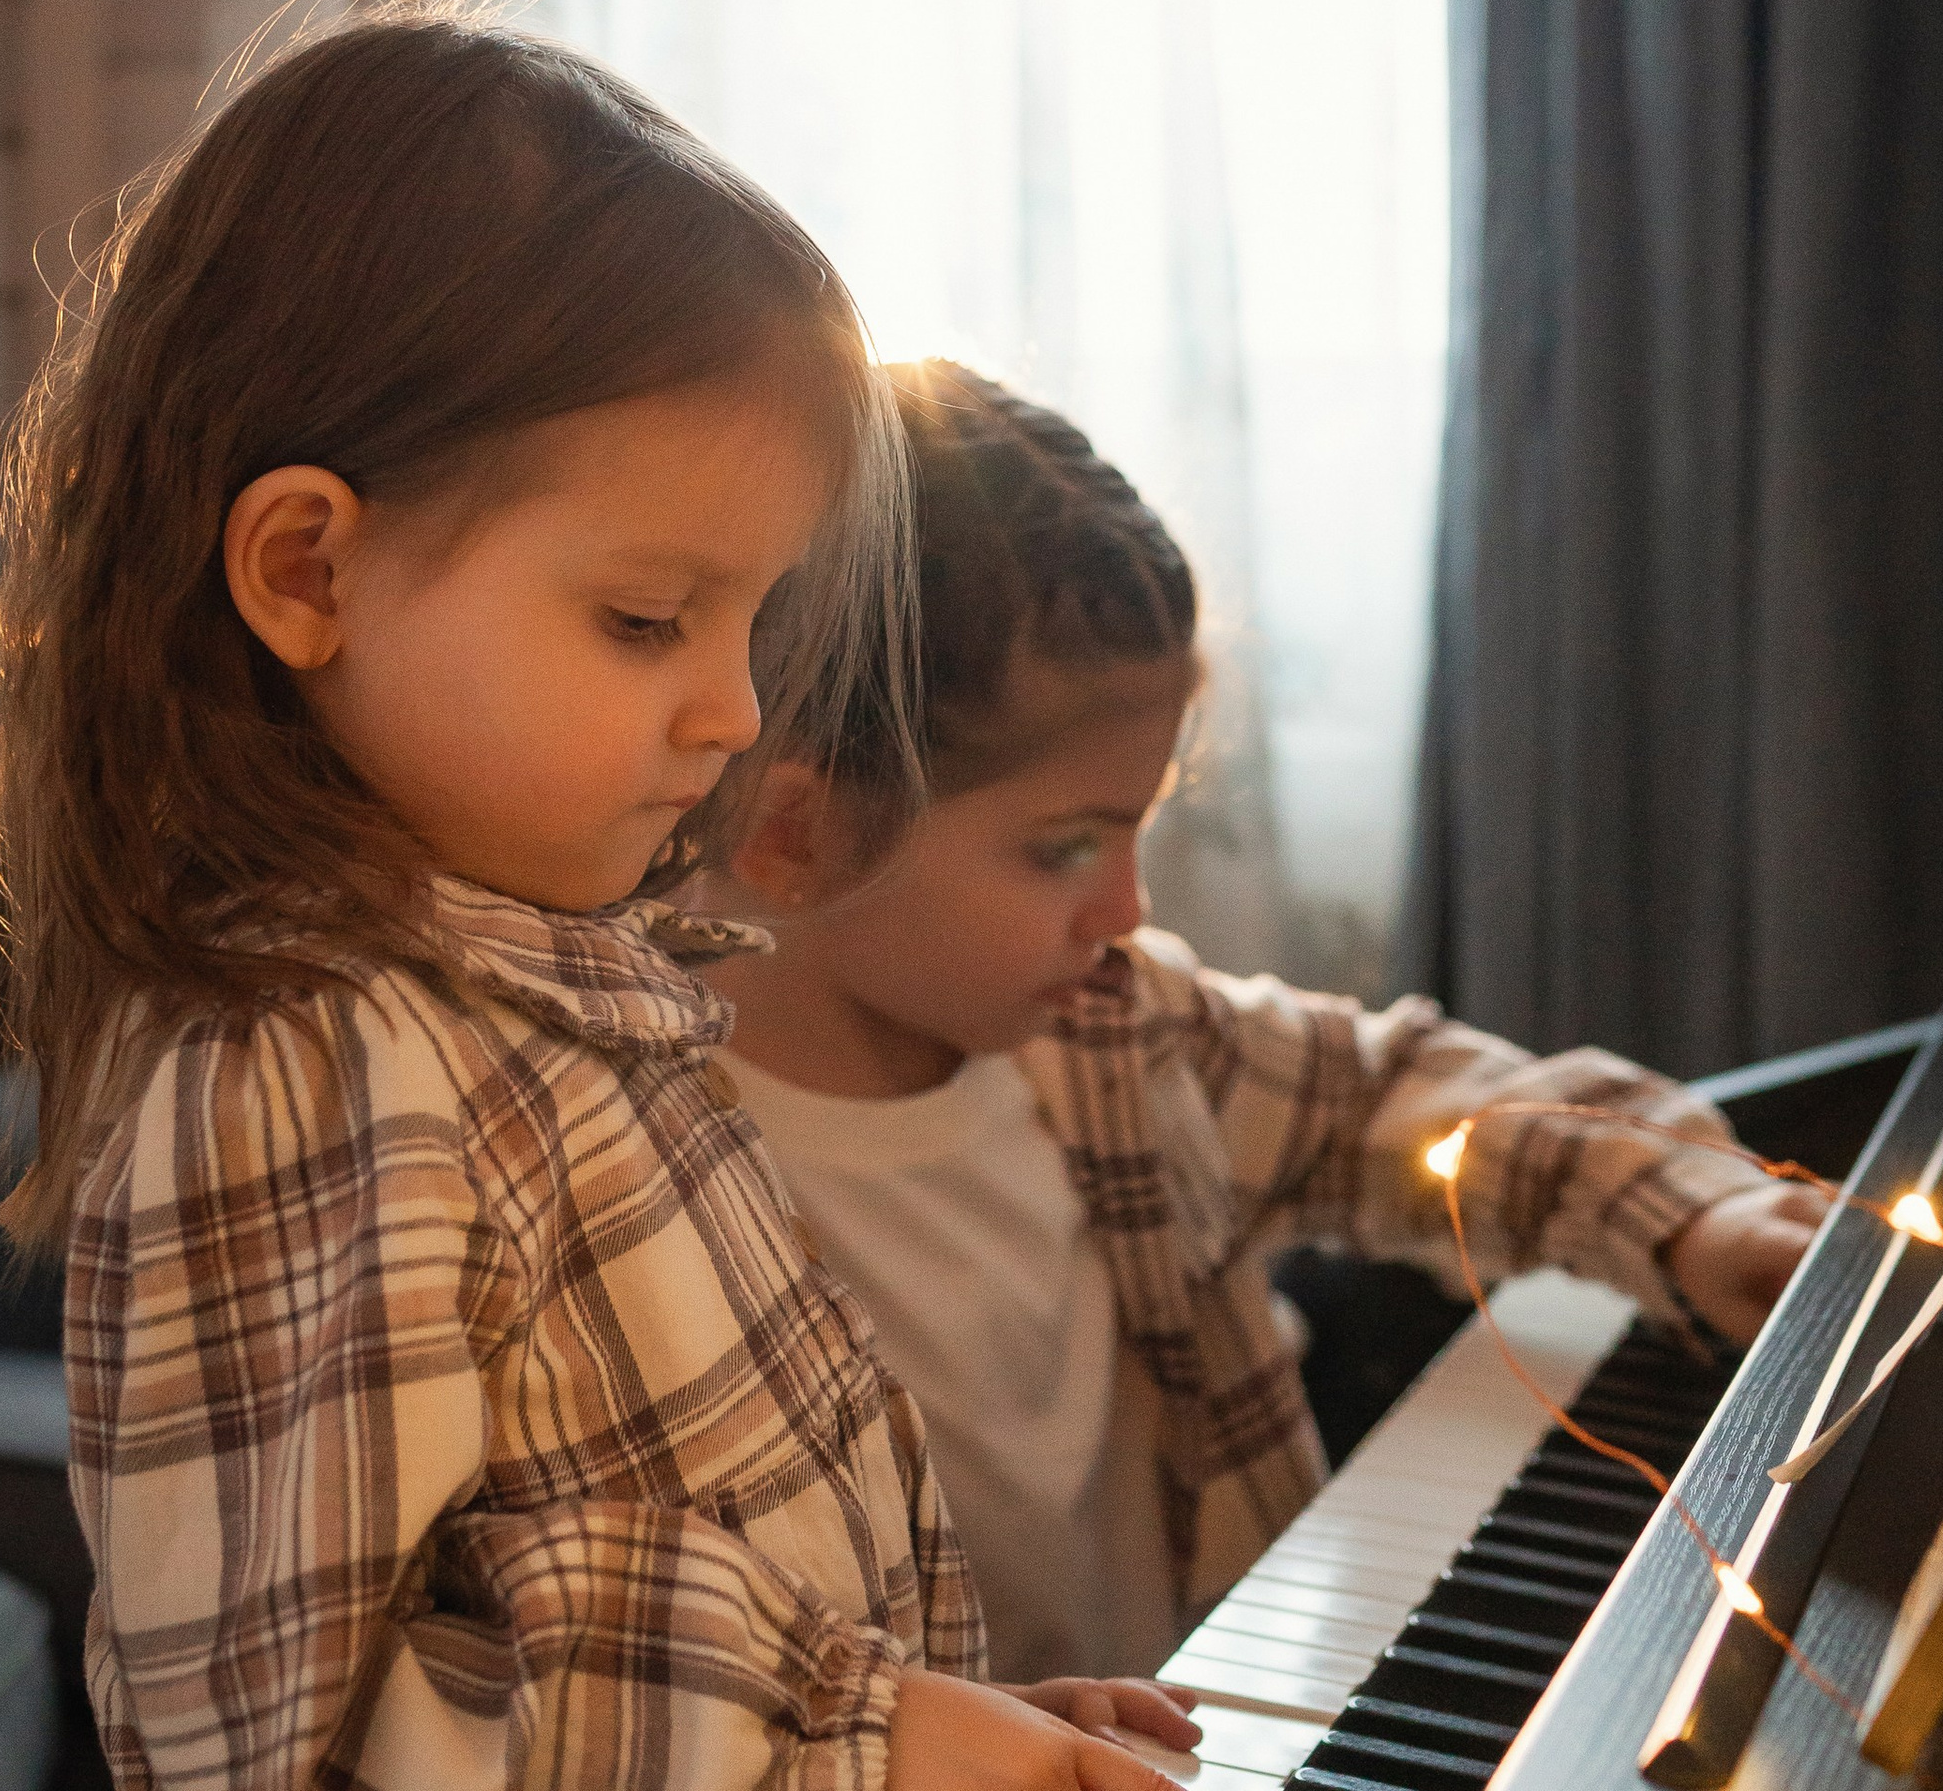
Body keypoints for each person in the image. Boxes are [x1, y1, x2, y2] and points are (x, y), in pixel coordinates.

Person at [0, 23, 1251, 1791]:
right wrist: (845, 1756)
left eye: (751, 617)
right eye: (647, 614)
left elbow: (639, 1547)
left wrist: (914, 1724)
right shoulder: (296, 1073)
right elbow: (336, 1742)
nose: (731, 708)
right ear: (305, 569)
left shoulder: (550, 984)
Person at [705, 362, 1826, 1686]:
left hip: (1214, 1765)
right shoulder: (650, 1174)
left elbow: (1389, 1095)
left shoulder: (1114, 1038)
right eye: (1065, 847)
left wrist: (1689, 1215)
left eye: (1142, 828)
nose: (1125, 907)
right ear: (802, 832)